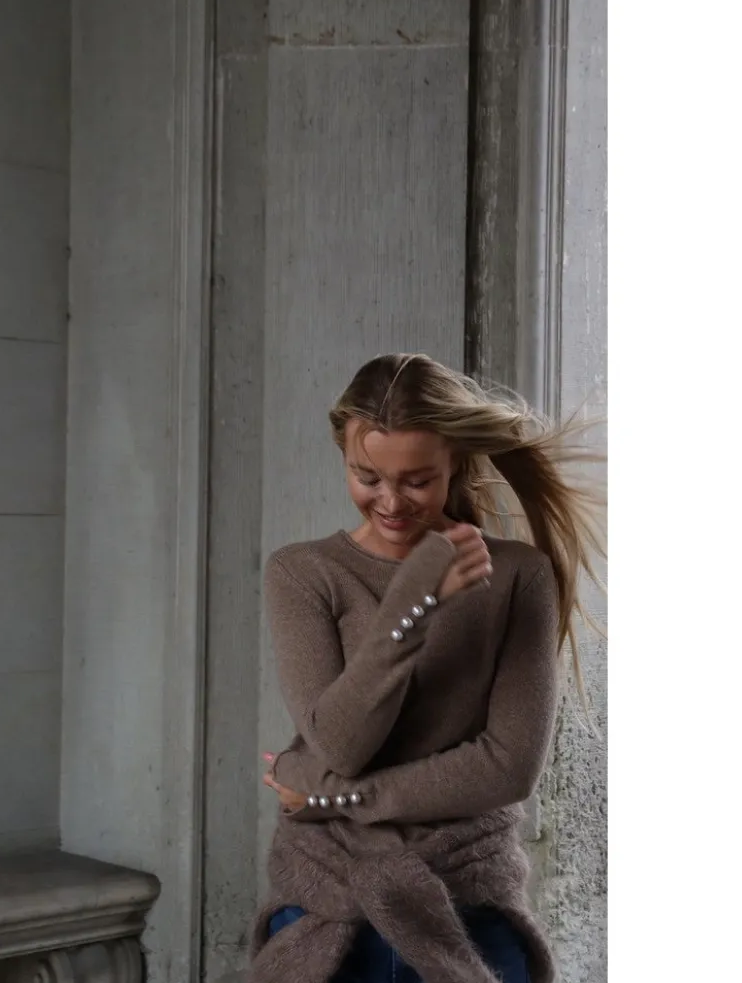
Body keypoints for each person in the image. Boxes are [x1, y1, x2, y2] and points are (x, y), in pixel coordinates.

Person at [250, 353, 605, 983]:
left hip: (467, 905)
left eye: (416, 481)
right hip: (329, 908)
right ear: (343, 456)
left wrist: (330, 795)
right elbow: (341, 743)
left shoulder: (519, 575)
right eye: (367, 476)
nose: (390, 502)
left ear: (455, 465)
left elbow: (508, 768)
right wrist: (416, 600)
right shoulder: (302, 573)